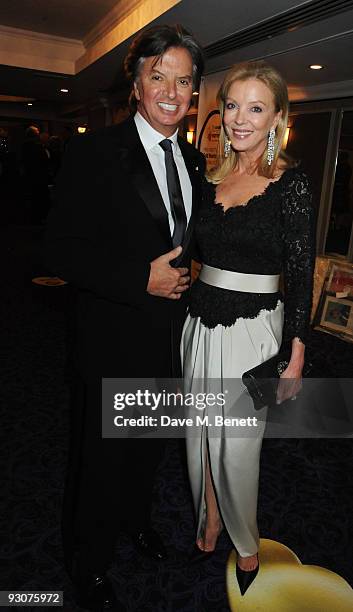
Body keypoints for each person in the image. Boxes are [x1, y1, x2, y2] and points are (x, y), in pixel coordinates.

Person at [45, 24, 204, 611]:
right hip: (110, 338)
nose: (171, 91)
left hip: (171, 342)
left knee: (148, 448)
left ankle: (135, 523)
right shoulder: (94, 152)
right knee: (100, 461)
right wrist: (140, 278)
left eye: (183, 81)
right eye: (158, 77)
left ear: (194, 91)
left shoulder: (193, 158)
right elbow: (57, 250)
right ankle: (87, 562)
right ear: (136, 85)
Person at [181, 60, 315, 596]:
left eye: (255, 108)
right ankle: (210, 516)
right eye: (232, 105)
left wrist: (296, 352)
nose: (239, 119)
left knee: (237, 444)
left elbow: (302, 272)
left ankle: (245, 538)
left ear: (276, 118)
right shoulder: (206, 178)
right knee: (200, 434)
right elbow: (186, 249)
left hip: (256, 329)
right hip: (198, 323)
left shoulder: (291, 183)